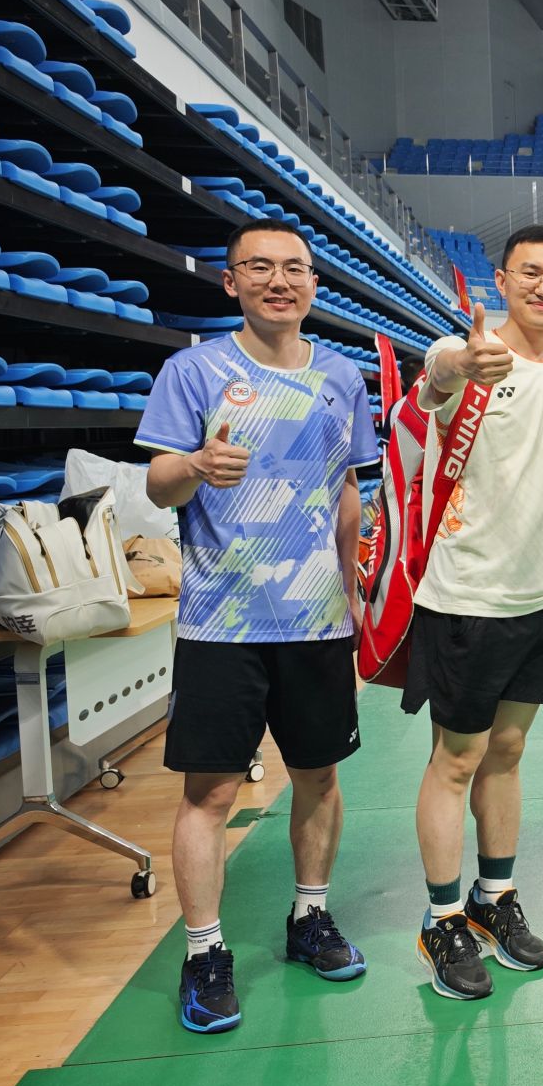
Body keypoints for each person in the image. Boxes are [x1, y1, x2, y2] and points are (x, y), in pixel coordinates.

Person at [138, 219, 378, 1034]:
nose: (280, 281)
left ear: (313, 284)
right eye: (260, 267)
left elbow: (346, 491)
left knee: (318, 777)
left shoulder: (341, 377)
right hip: (220, 621)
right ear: (231, 281)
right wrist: (195, 465)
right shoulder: (194, 371)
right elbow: (159, 484)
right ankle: (205, 953)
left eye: (294, 269)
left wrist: (349, 593)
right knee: (208, 793)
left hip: (316, 619)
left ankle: (310, 917)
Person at [403, 225, 543, 1001]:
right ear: (503, 281)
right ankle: (442, 917)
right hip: (468, 599)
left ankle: (494, 897)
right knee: (456, 759)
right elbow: (435, 380)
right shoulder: (468, 357)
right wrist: (457, 363)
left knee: (508, 753)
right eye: (531, 273)